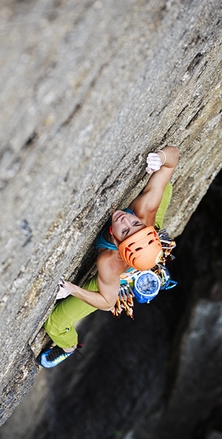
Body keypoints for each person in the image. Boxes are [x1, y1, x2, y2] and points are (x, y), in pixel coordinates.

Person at [38, 145, 179, 368]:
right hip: (147, 244)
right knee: (164, 186)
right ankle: (146, 242)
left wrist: (72, 289)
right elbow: (173, 158)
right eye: (134, 224)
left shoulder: (110, 264)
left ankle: (68, 348)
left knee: (55, 324)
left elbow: (107, 302)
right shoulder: (144, 212)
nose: (124, 219)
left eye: (125, 230)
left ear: (117, 243)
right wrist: (160, 158)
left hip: (121, 276)